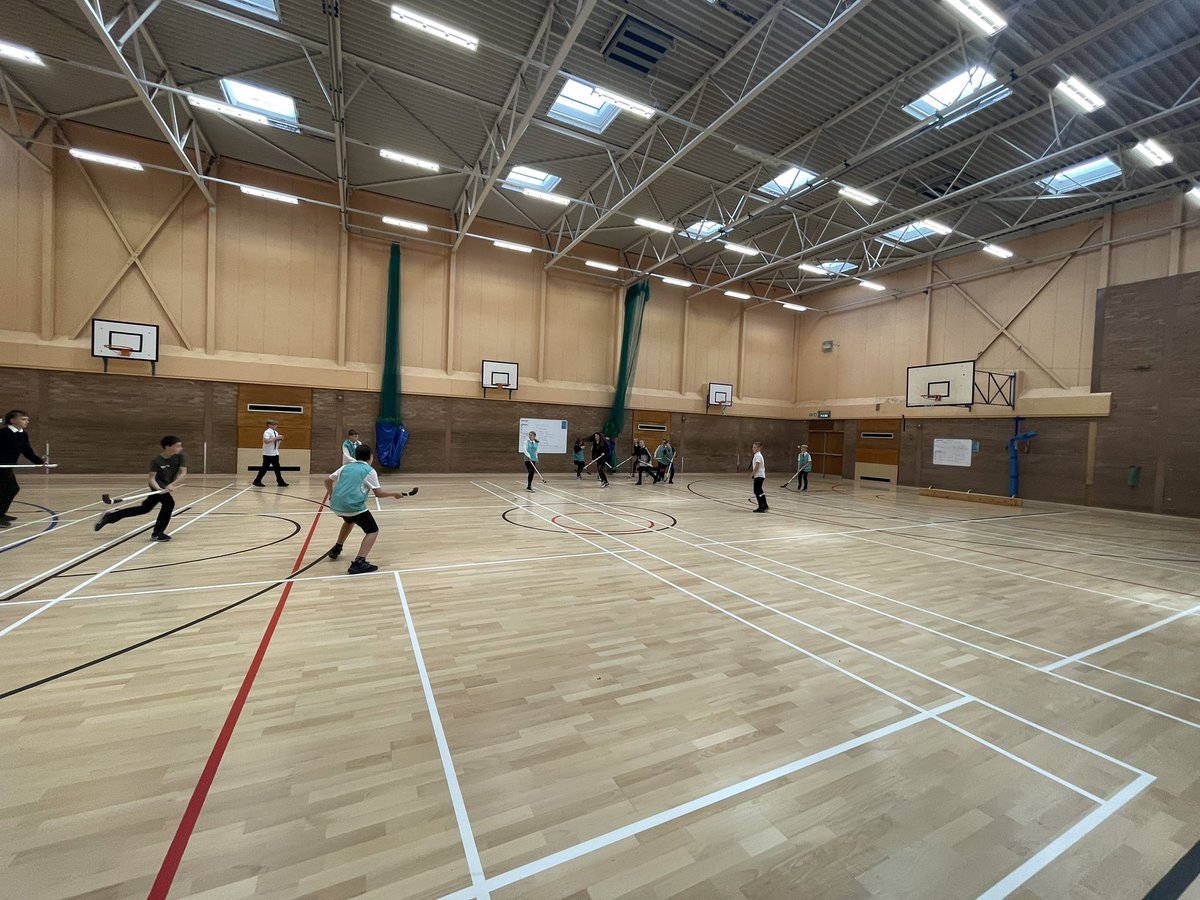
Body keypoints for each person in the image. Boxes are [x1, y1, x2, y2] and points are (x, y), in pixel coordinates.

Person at [325, 443, 408, 574]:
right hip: (353, 506)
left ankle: (337, 548)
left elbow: (327, 481)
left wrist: (331, 494)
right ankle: (359, 562)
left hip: (336, 505)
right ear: (370, 457)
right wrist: (394, 494)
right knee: (372, 530)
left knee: (349, 521)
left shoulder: (345, 467)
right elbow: (378, 493)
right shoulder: (369, 471)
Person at [95, 436, 187, 541]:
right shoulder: (157, 461)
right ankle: (157, 533)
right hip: (157, 486)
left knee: (144, 509)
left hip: (166, 487)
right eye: (178, 446)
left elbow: (182, 473)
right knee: (169, 503)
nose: (181, 448)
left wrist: (172, 484)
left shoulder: (181, 457)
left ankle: (111, 516)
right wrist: (158, 489)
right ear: (168, 447)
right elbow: (151, 478)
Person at [0, 409, 47, 527]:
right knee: (11, 488)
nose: (27, 422)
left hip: (7, 467)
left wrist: (39, 461)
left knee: (10, 489)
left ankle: (1, 514)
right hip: (1, 467)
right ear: (12, 420)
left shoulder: (23, 434)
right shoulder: (3, 433)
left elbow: (27, 451)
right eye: (23, 419)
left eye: (27, 419)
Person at [251, 418, 289, 487]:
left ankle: (280, 482)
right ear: (269, 425)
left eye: (276, 424)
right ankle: (257, 481)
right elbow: (266, 441)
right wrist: (276, 438)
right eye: (274, 424)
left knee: (277, 468)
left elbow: (276, 442)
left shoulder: (275, 432)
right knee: (264, 468)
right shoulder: (267, 432)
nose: (276, 426)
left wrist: (280, 439)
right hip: (268, 453)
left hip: (275, 453)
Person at [750, 440, 768, 513]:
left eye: (754, 447)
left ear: (759, 448)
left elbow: (757, 465)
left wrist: (753, 473)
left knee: (757, 491)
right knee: (759, 491)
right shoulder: (757, 455)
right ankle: (765, 505)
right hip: (760, 475)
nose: (753, 448)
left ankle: (761, 506)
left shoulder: (758, 455)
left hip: (759, 475)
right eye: (753, 447)